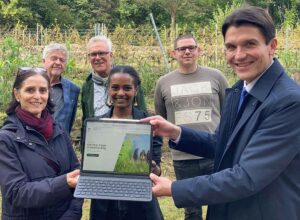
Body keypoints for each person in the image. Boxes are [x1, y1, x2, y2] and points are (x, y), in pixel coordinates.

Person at [142, 6, 300, 220]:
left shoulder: (289, 101)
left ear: (272, 46)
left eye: (249, 44)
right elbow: (222, 144)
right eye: (231, 46)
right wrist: (175, 132)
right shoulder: (240, 90)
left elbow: (247, 177)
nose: (239, 55)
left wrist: (174, 188)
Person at [154, 34, 228, 220]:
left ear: (199, 50)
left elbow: (228, 110)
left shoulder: (216, 76)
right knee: (191, 209)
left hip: (213, 152)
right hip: (183, 157)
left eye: (191, 48)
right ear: (174, 53)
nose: (187, 51)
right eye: (182, 49)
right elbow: (162, 116)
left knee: (219, 203)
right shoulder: (163, 82)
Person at [0, 67, 82, 219]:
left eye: (43, 90)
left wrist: (71, 215)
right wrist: (64, 183)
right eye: (30, 90)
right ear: (17, 94)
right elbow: (16, 192)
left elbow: (77, 174)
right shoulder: (6, 139)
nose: (37, 96)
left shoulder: (59, 130)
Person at [89, 65, 164, 220]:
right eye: (115, 88)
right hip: (104, 200)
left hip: (140, 200)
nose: (120, 93)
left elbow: (157, 171)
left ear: (136, 90)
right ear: (108, 90)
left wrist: (154, 168)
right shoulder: (95, 125)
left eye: (127, 88)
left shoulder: (150, 124)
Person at [81, 36, 147, 123]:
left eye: (101, 53)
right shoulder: (87, 86)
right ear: (89, 58)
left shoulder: (128, 80)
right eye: (93, 54)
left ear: (110, 55)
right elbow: (86, 118)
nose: (97, 58)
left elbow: (142, 113)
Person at [42, 43, 80, 134]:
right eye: (54, 58)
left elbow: (69, 122)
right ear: (44, 61)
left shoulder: (73, 89)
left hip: (59, 143)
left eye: (62, 60)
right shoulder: (30, 84)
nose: (58, 62)